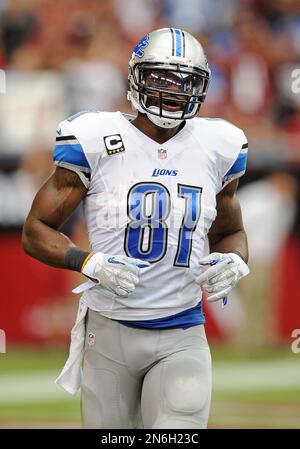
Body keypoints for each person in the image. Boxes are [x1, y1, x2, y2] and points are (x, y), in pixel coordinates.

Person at [22, 28, 250, 429]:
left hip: (182, 328)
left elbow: (231, 230)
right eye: (160, 78)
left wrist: (233, 259)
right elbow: (36, 229)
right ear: (135, 78)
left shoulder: (220, 145)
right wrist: (88, 262)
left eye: (185, 82)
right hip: (109, 331)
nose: (172, 91)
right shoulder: (94, 137)